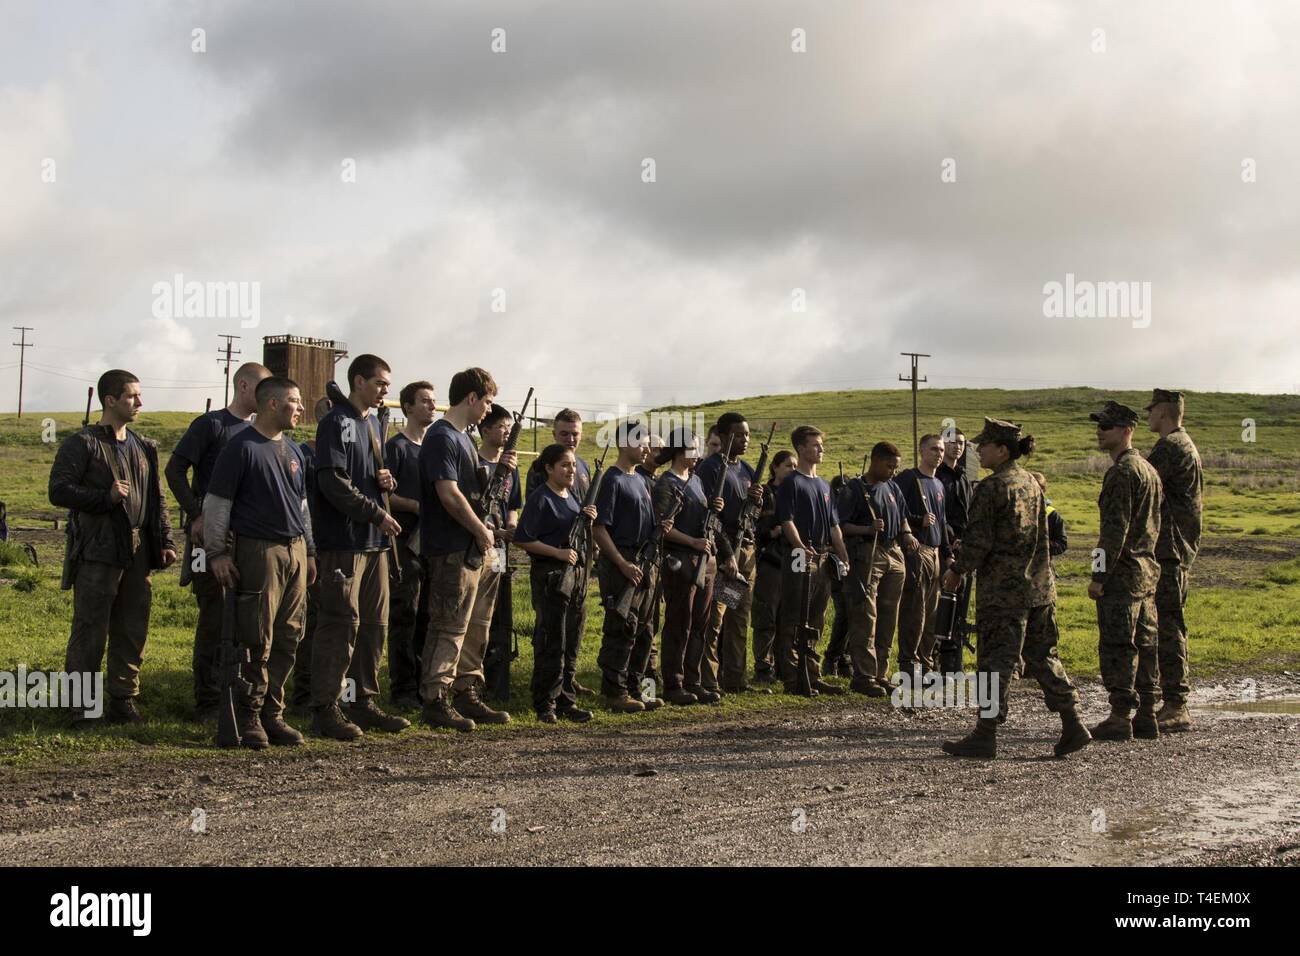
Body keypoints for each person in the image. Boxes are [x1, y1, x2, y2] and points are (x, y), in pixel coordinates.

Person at [940, 418, 1089, 759]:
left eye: (985, 445)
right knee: (1042, 655)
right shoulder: (1031, 484)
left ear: (1002, 450)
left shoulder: (993, 487)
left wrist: (957, 570)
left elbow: (979, 541)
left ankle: (985, 733)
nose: (978, 450)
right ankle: (1073, 722)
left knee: (995, 662)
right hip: (1040, 587)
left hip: (1004, 593)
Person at [49, 369, 177, 723]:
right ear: (110, 400)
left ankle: (123, 699)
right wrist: (103, 497)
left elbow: (157, 500)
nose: (139, 402)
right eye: (132, 396)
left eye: (138, 395)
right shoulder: (83, 443)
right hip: (97, 549)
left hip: (138, 551)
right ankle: (81, 706)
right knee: (91, 628)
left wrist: (165, 541)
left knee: (132, 626)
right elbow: (58, 491)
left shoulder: (144, 447)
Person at [202, 377, 316, 748]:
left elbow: (302, 506)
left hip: (294, 549)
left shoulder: (295, 451)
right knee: (256, 636)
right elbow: (217, 505)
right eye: (294, 401)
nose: (300, 408)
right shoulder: (241, 448)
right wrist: (216, 553)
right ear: (271, 404)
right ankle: (248, 714)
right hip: (258, 550)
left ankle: (273, 713)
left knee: (289, 635)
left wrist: (309, 550)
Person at [310, 354, 409, 740]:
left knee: (374, 626)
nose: (386, 389)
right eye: (380, 382)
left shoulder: (371, 424)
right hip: (345, 542)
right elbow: (332, 481)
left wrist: (383, 480)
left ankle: (362, 701)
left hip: (375, 544)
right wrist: (374, 513)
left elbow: (363, 475)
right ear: (358, 381)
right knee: (340, 625)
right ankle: (325, 707)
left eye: (387, 383)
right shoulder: (336, 422)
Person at [166, 361, 272, 722]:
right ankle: (208, 701)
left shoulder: (263, 432)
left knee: (244, 620)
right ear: (243, 387)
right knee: (213, 616)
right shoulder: (211, 424)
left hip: (248, 540)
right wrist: (197, 514)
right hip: (208, 539)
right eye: (261, 389)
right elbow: (174, 469)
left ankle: (239, 694)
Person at [418, 367, 515, 731]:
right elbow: (449, 494)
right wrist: (479, 529)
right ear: (471, 398)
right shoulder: (442, 437)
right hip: (452, 547)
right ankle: (435, 697)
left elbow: (475, 496)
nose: (489, 410)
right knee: (449, 625)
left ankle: (465, 690)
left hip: (475, 546)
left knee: (477, 624)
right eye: (487, 401)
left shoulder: (462, 439)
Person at [1087, 401, 1163, 742]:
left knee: (1119, 644)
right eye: (1100, 426)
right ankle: (1147, 713)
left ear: (1126, 431)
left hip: (1122, 572)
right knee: (1146, 642)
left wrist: (1098, 576)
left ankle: (1120, 716)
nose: (1100, 432)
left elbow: (1112, 532)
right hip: (1146, 570)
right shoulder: (1148, 470)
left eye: (1107, 426)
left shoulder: (1122, 472)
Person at [514, 444, 597, 723]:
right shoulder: (542, 498)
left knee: (572, 639)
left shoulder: (571, 497)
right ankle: (545, 703)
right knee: (552, 640)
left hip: (574, 578)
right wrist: (557, 552)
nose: (571, 470)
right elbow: (523, 538)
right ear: (549, 468)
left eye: (573, 465)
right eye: (564, 465)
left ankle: (566, 700)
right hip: (551, 576)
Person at [594, 423, 669, 712]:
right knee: (622, 627)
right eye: (642, 443)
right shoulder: (612, 480)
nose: (648, 449)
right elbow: (599, 529)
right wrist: (622, 563)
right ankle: (615, 692)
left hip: (645, 561)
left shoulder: (639, 479)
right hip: (622, 562)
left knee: (645, 630)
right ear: (625, 444)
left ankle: (638, 689)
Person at [774, 426, 851, 696]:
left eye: (821, 445)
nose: (821, 449)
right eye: (815, 445)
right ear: (801, 448)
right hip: (799, 555)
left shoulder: (824, 485)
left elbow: (834, 526)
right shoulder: (791, 483)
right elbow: (786, 521)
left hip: (822, 555)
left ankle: (812, 672)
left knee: (816, 616)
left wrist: (842, 554)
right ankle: (793, 677)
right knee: (795, 615)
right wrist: (799, 546)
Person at [1144, 388, 1204, 733]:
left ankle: (1176, 703)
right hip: (1174, 547)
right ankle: (1168, 699)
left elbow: (1143, 482)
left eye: (1152, 410)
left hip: (1169, 548)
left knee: (1168, 625)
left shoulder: (1171, 447)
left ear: (1163, 412)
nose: (1149, 416)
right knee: (1168, 622)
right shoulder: (1184, 444)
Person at [658, 428, 728, 705]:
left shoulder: (697, 480)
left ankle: (693, 680)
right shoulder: (666, 483)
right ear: (680, 450)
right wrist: (693, 542)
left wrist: (715, 507)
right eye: (693, 449)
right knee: (679, 623)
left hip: (704, 561)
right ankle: (674, 684)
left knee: (701, 622)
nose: (698, 454)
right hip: (680, 560)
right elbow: (664, 527)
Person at [838, 442, 908, 697]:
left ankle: (881, 672)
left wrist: (907, 533)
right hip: (867, 552)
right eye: (889, 466)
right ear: (876, 461)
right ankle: (864, 675)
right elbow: (840, 525)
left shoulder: (893, 488)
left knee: (889, 615)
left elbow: (902, 516)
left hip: (893, 551)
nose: (892, 471)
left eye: (895, 467)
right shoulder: (854, 489)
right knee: (866, 614)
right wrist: (867, 529)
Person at [385, 380, 437, 710]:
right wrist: (416, 506)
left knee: (428, 617)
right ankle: (403, 689)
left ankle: (423, 684)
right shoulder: (397, 447)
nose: (432, 406)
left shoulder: (433, 447)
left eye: (434, 401)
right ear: (408, 408)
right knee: (405, 615)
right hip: (404, 543)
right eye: (425, 401)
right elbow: (384, 496)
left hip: (432, 544)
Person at [476, 402, 524, 702]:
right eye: (501, 426)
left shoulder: (511, 468)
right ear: (485, 430)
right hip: (479, 544)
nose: (507, 432)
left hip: (501, 549)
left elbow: (513, 505)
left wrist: (509, 527)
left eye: (510, 426)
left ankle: (497, 684)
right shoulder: (474, 463)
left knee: (500, 612)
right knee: (476, 613)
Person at [288, 396, 332, 714]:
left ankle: (331, 693)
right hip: (313, 547)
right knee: (310, 622)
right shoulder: (303, 455)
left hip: (342, 548)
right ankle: (303, 694)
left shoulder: (353, 455)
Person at [895, 434, 949, 677]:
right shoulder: (908, 478)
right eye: (934, 449)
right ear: (921, 451)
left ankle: (926, 663)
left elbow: (943, 521)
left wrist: (947, 554)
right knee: (914, 610)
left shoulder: (938, 484)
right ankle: (909, 663)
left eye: (941, 449)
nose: (938, 453)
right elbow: (896, 509)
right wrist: (917, 521)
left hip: (936, 551)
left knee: (932, 612)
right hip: (918, 550)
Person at [750, 450, 794, 685]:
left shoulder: (796, 493)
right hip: (770, 561)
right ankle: (763, 668)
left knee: (788, 618)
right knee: (766, 616)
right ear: (775, 468)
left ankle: (785, 665)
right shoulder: (765, 494)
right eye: (788, 466)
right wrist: (771, 532)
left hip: (791, 562)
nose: (793, 470)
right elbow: (751, 525)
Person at [526, 408, 591, 499]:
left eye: (575, 434)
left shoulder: (584, 466)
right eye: (564, 434)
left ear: (581, 435)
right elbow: (534, 508)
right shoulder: (540, 467)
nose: (570, 439)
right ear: (554, 434)